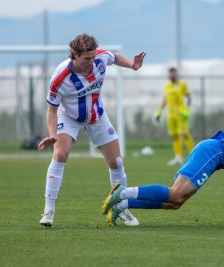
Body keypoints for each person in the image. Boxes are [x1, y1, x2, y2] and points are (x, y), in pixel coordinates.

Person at [37, 33, 146, 227]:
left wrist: (132, 65)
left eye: (93, 57)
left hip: (96, 115)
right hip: (68, 117)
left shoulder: (100, 58)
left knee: (116, 161)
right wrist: (53, 135)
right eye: (87, 58)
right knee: (60, 155)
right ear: (74, 55)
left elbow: (115, 56)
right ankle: (49, 211)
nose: (91, 62)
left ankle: (121, 207)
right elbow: (51, 110)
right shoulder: (60, 78)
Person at [101, 130, 224, 226]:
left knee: (175, 203)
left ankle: (122, 205)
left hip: (213, 153)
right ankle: (122, 192)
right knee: (175, 194)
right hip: (214, 152)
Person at [154, 67, 195, 165]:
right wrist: (159, 111)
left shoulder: (182, 84)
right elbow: (165, 99)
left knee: (185, 134)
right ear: (168, 74)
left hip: (181, 115)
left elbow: (188, 97)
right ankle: (178, 157)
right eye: (170, 73)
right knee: (175, 136)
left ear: (176, 74)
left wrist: (187, 110)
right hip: (171, 116)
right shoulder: (167, 86)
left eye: (173, 73)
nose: (172, 75)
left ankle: (194, 155)